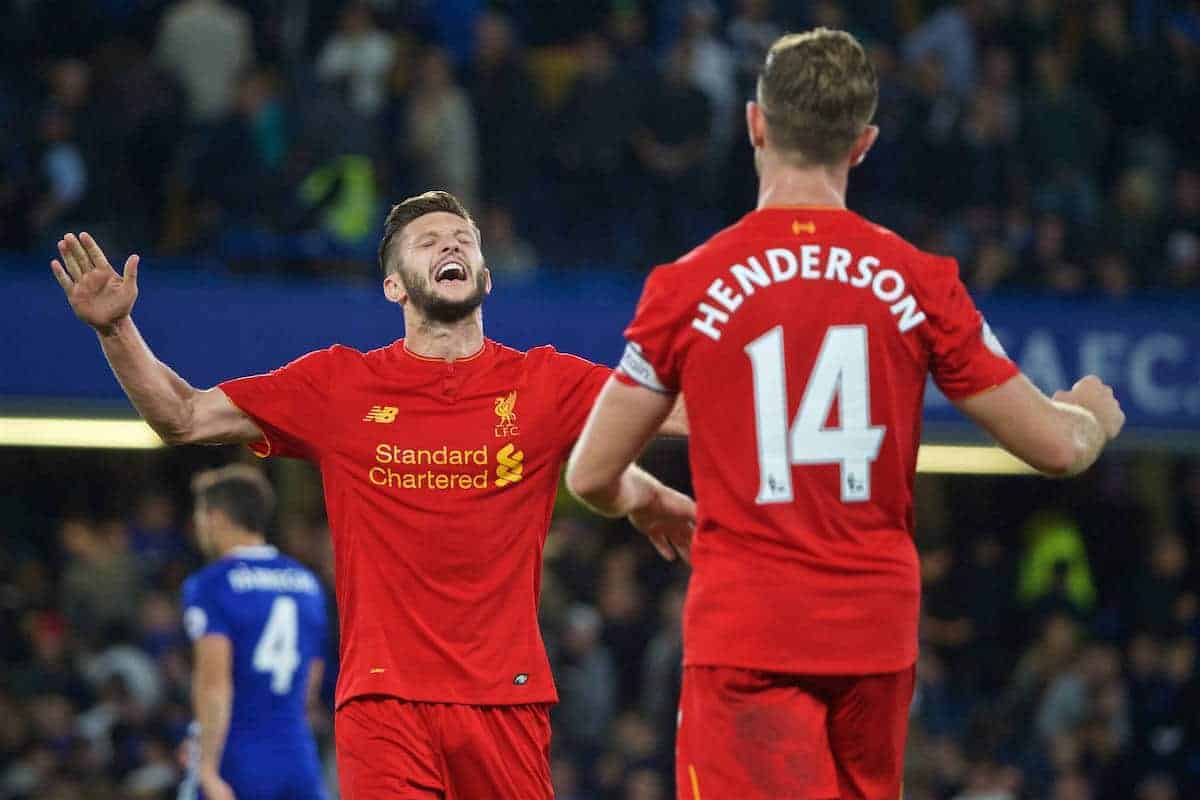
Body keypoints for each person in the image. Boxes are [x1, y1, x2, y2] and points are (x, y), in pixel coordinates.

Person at [566, 28, 1125, 800]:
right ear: (862, 144)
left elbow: (591, 472)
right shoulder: (922, 281)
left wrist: (649, 499)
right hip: (875, 639)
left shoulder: (689, 284)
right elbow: (1058, 449)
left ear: (755, 122)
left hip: (746, 637)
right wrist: (1091, 416)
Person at [50, 190, 693, 799]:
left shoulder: (545, 382)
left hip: (506, 697)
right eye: (428, 241)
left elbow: (685, 412)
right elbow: (183, 416)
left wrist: (654, 484)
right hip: (383, 706)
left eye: (463, 240)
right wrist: (116, 331)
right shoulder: (339, 386)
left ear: (485, 275)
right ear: (393, 285)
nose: (450, 248)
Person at [178, 465, 329, 800]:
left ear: (215, 517)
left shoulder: (211, 584)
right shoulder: (307, 583)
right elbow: (311, 682)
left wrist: (207, 768)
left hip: (237, 755)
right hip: (296, 754)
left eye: (200, 515)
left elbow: (214, 683)